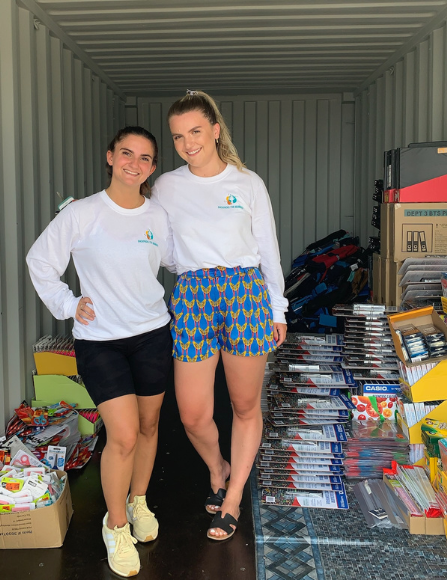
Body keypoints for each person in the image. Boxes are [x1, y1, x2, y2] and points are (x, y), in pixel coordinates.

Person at [26, 127, 171, 577]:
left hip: (152, 333)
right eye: (126, 153)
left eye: (145, 158)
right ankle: (116, 524)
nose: (135, 163)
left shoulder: (158, 215)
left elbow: (178, 262)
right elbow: (40, 261)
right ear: (110, 157)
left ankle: (139, 500)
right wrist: (70, 305)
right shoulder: (82, 214)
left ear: (151, 168)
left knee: (148, 427)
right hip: (100, 340)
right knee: (123, 434)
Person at [151, 90, 287, 541]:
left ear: (214, 129)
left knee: (244, 406)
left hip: (246, 291)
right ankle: (218, 466)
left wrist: (278, 308)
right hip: (192, 293)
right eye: (178, 137)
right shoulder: (167, 186)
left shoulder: (247, 183)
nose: (188, 143)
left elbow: (268, 250)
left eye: (195, 132)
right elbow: (162, 247)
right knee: (192, 414)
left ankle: (231, 499)